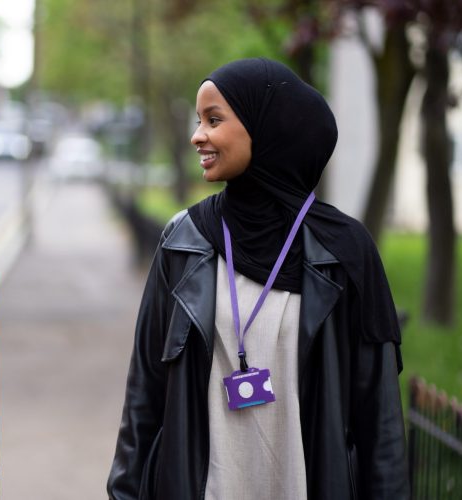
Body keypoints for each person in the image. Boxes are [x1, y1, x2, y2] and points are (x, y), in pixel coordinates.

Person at [107, 58, 408, 500]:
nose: (197, 136)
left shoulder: (344, 252)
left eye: (214, 119)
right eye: (198, 121)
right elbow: (144, 398)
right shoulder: (183, 241)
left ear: (266, 129)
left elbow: (379, 421)